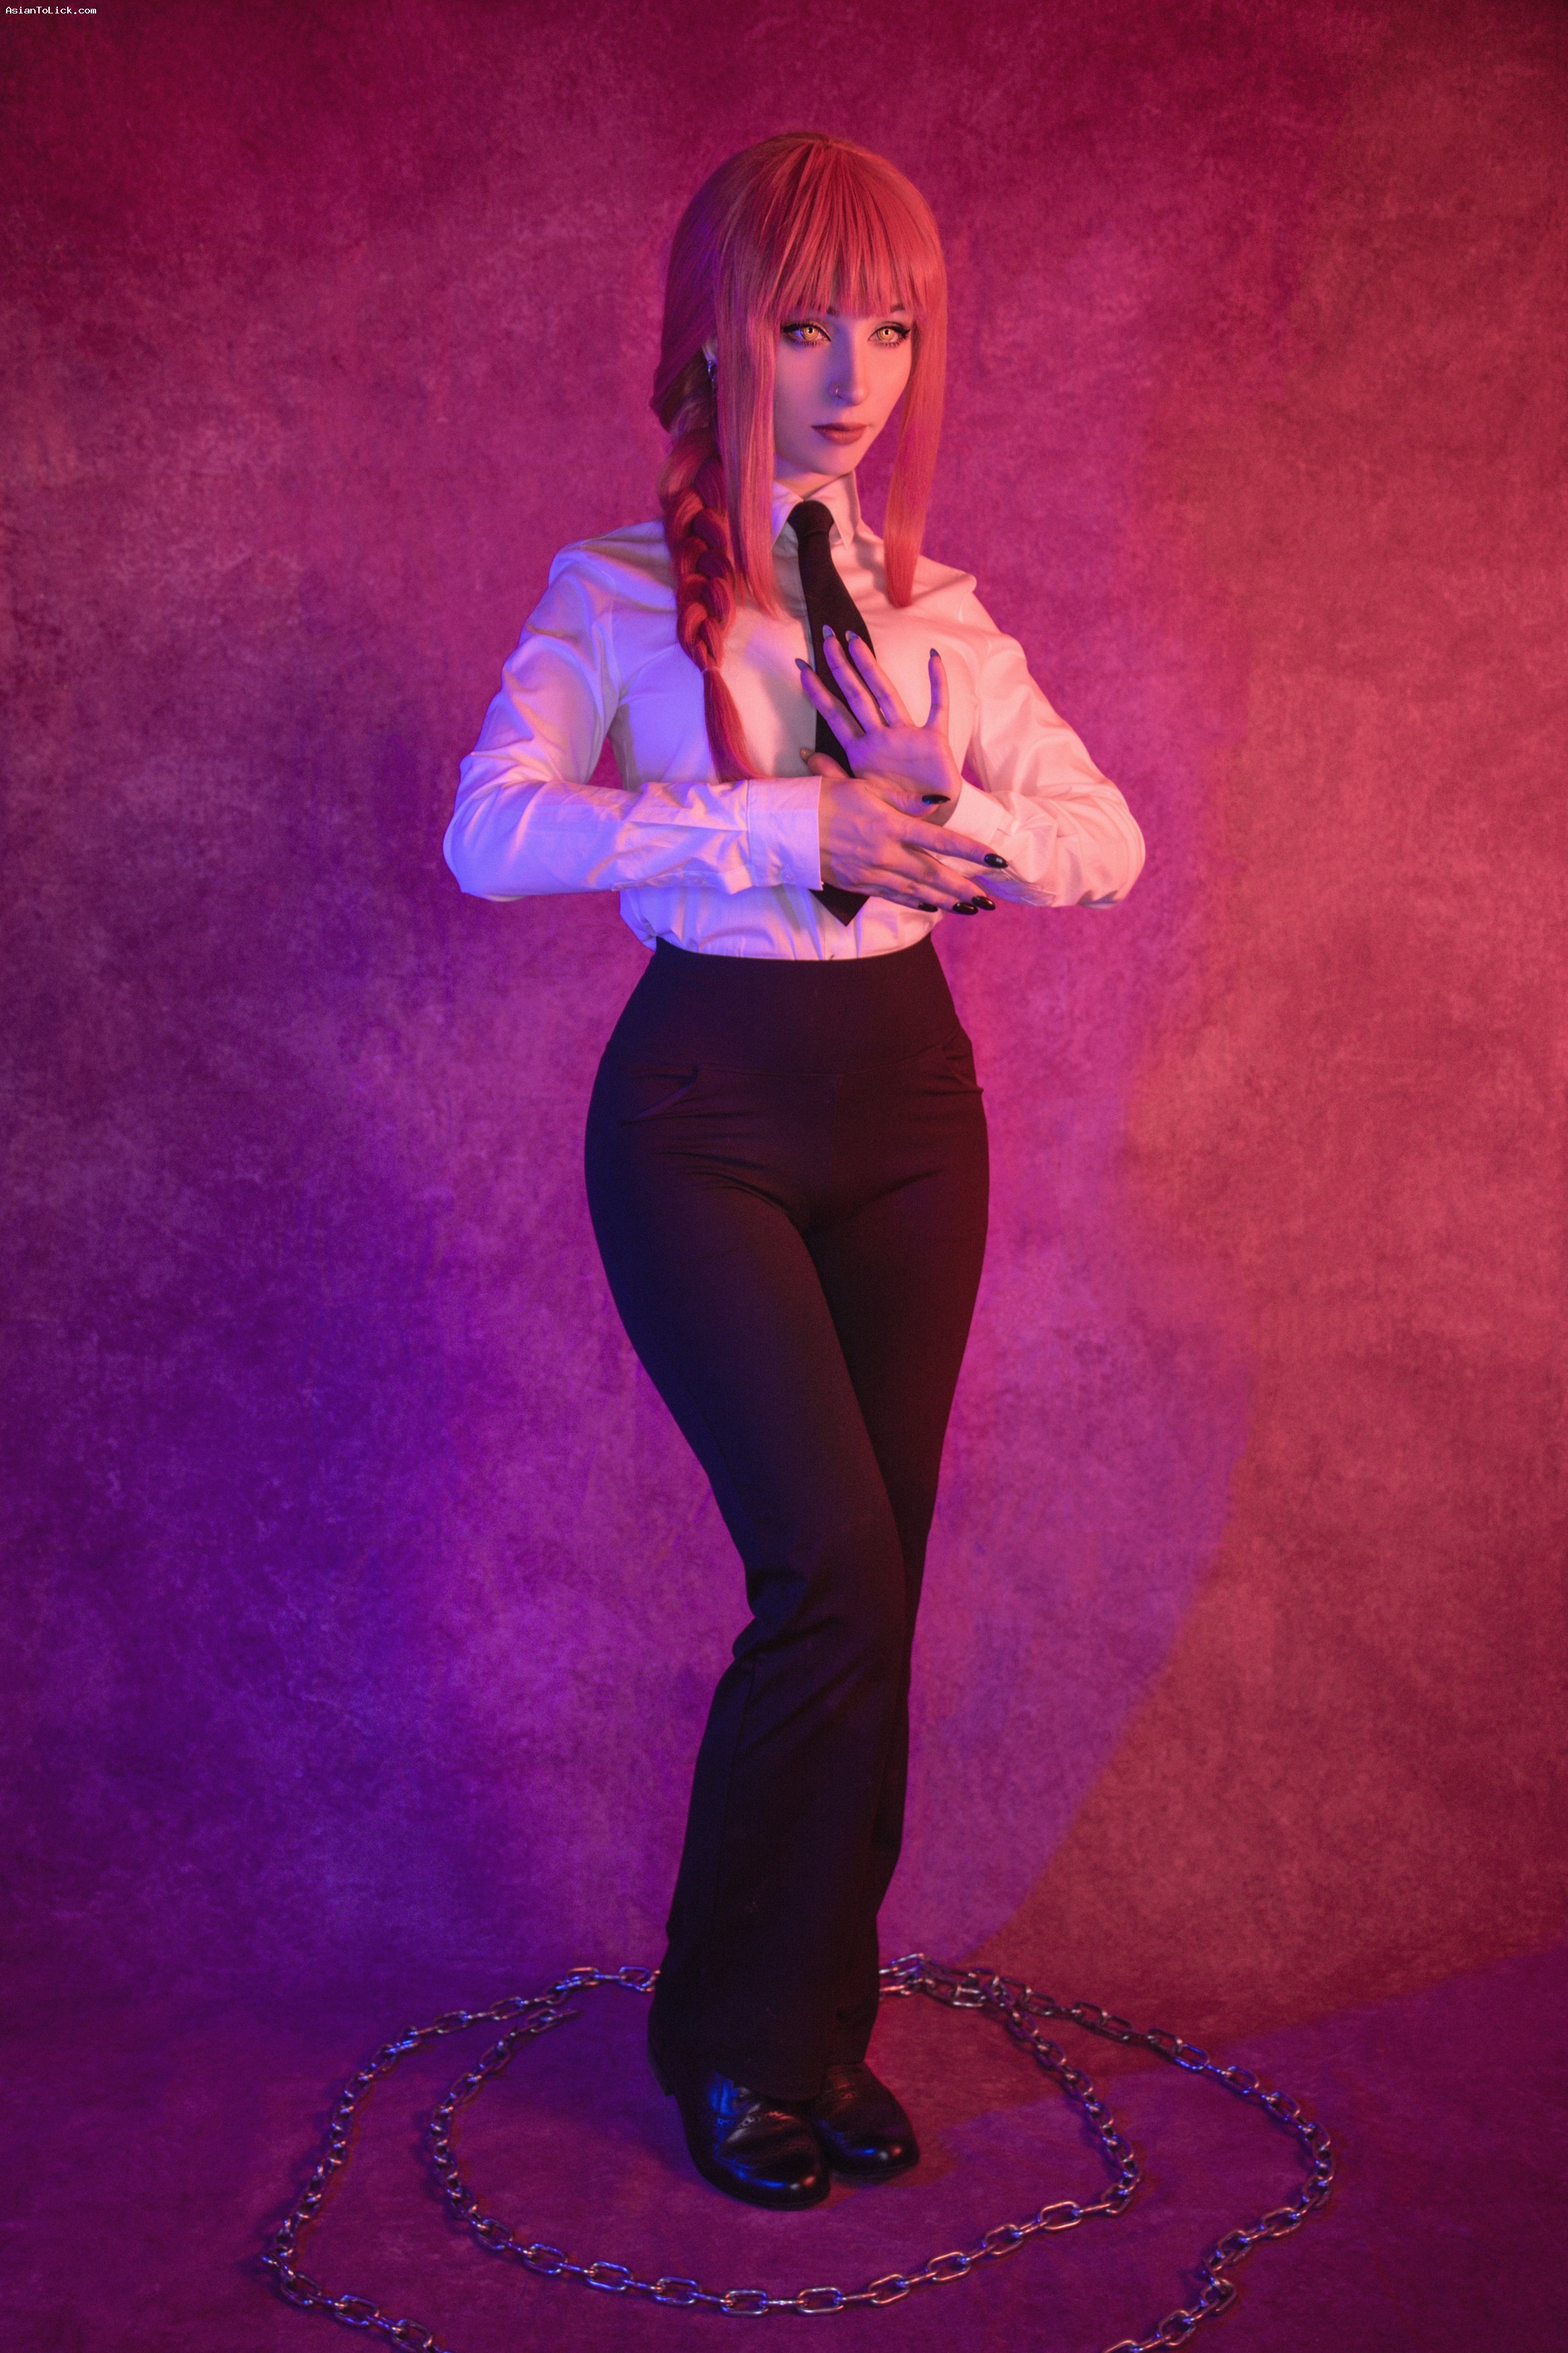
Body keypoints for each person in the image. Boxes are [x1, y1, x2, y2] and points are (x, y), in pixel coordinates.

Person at [444, 132, 1144, 2211]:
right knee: (826, 1569)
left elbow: (1106, 844)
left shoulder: (944, 616)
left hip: (910, 1109)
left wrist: (948, 815)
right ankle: (733, 2040)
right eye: (812, 321)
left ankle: (814, 2031)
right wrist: (785, 825)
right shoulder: (612, 591)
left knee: (879, 1585)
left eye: (896, 328)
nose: (856, 374)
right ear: (717, 334)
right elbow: (490, 829)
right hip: (707, 1113)